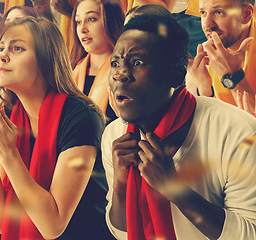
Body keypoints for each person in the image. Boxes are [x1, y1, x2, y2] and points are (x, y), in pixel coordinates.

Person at [0, 16, 114, 240]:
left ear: (46, 58)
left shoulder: (82, 116)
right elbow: (1, 221)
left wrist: (8, 153)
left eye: (17, 48)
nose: (3, 55)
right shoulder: (11, 114)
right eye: (1, 48)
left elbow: (52, 225)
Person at [102, 14, 256, 240]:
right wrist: (120, 183)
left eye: (137, 62)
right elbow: (120, 232)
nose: (119, 74)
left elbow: (250, 233)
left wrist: (175, 189)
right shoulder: (114, 136)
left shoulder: (239, 133)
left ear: (175, 75)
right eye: (115, 62)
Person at [188, 0, 256, 107]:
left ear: (246, 14)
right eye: (203, 13)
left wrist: (234, 76)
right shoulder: (214, 48)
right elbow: (220, 118)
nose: (207, 25)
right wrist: (205, 89)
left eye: (218, 12)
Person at [71, 0, 124, 122]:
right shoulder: (72, 72)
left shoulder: (125, 74)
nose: (82, 28)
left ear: (111, 21)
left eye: (91, 19)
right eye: (78, 22)